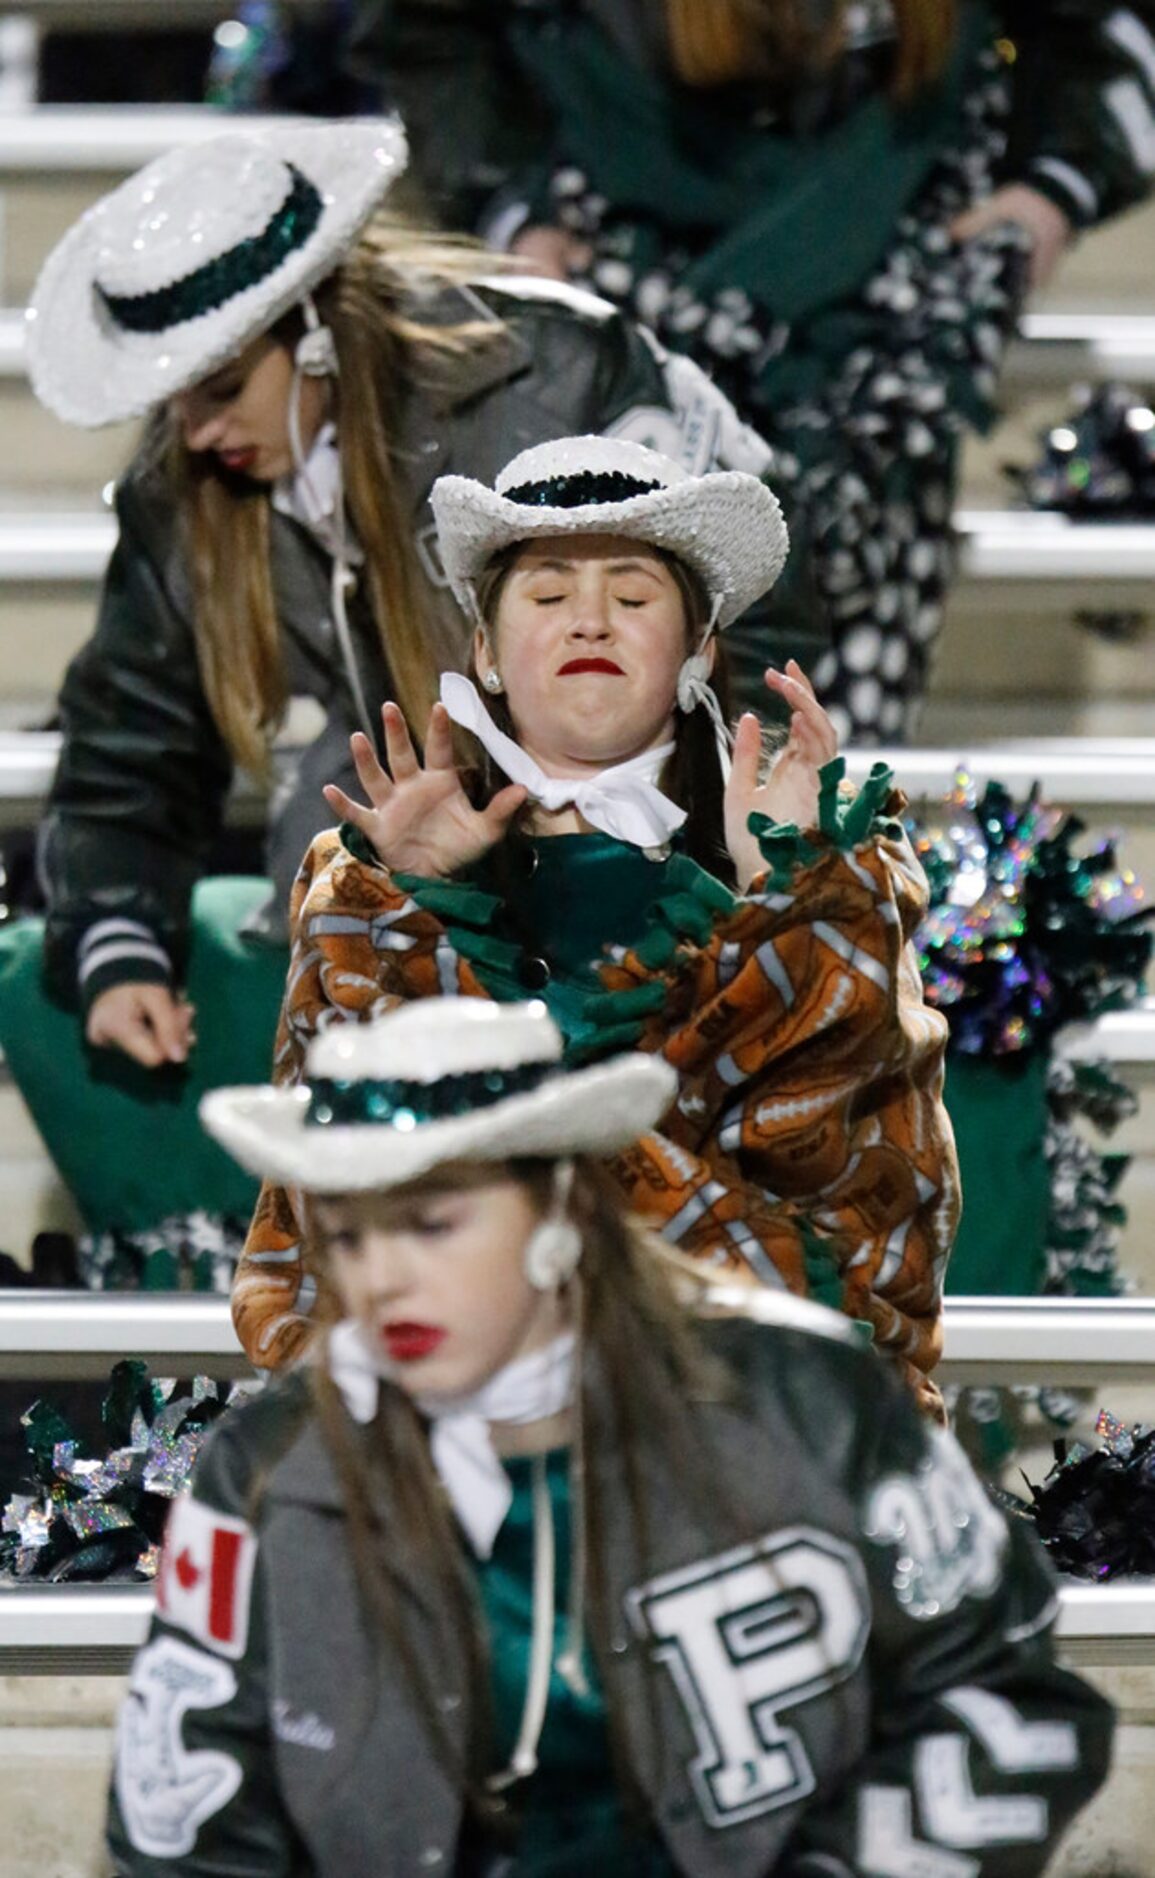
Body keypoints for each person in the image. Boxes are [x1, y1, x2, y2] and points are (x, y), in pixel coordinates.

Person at [107, 997, 1113, 1875]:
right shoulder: (268, 1469)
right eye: (352, 1235)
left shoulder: (813, 1404)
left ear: (561, 1211)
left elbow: (1010, 1704)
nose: (382, 1280)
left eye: (433, 1224)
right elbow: (182, 1817)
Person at [5, 119, 772, 1259]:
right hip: (414, 849)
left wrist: (654, 826)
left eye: (217, 385)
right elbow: (135, 734)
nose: (193, 429)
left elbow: (741, 609)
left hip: (636, 849)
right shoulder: (192, 477)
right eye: (174, 398)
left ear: (312, 337)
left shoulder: (554, 370)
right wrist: (120, 936)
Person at [233, 435, 959, 1413]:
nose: (591, 621)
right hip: (436, 1430)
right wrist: (413, 908)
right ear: (484, 650)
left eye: (632, 596)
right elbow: (317, 1225)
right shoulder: (367, 891)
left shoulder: (824, 880)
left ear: (701, 648)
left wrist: (790, 900)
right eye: (545, 595)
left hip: (733, 1423)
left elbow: (857, 1230)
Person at [338, 0, 1155, 739]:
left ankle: (797, 884)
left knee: (821, 757)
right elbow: (425, 27)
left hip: (895, 297)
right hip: (623, 261)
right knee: (619, 712)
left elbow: (1099, 26)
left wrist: (1056, 182)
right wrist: (510, 206)